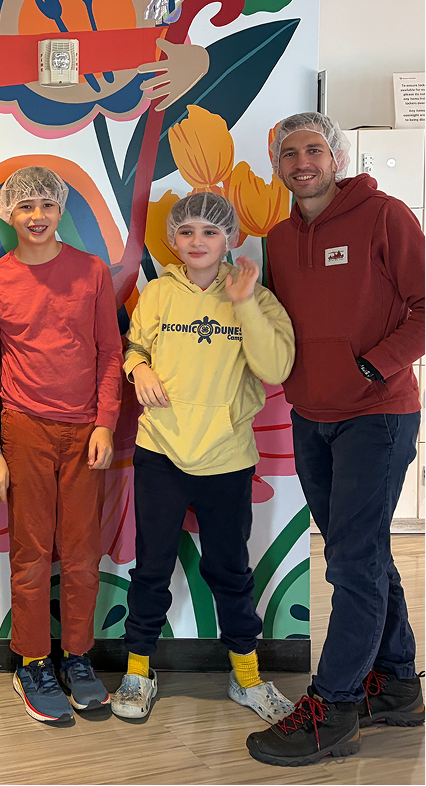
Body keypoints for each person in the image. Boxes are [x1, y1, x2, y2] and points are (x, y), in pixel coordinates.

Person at [247, 112, 426, 768]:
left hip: (376, 415)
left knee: (351, 561)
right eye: (288, 153)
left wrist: (375, 365)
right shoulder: (275, 238)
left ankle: (336, 705)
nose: (302, 162)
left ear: (336, 157)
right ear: (276, 164)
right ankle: (397, 684)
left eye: (314, 150)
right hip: (310, 415)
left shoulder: (384, 216)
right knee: (361, 553)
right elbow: (277, 324)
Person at [110, 192, 296, 723]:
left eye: (210, 231)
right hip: (160, 453)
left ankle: (247, 677)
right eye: (187, 231)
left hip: (227, 457)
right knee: (151, 568)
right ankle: (138, 673)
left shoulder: (257, 298)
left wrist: (244, 303)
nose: (198, 241)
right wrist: (138, 368)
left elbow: (275, 367)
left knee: (231, 571)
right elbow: (134, 348)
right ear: (173, 238)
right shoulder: (158, 293)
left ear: (230, 238)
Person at [0, 166, 122, 724]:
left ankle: (77, 657)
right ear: (9, 213)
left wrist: (106, 423)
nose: (37, 216)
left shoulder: (92, 271)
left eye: (46, 205)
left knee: (82, 553)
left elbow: (110, 352)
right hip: (23, 428)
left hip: (85, 432)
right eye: (25, 205)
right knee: (31, 553)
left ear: (61, 210)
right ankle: (33, 661)